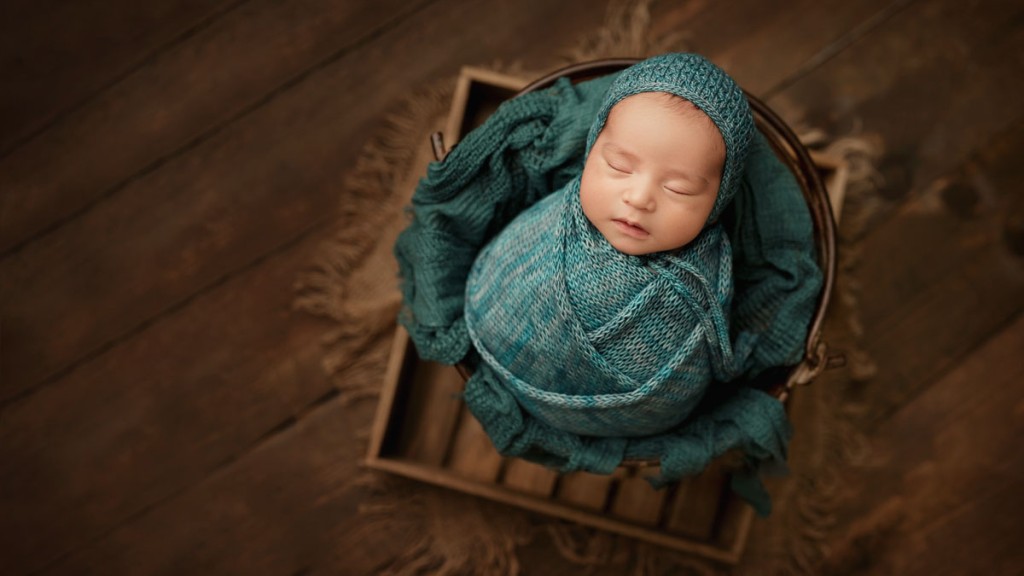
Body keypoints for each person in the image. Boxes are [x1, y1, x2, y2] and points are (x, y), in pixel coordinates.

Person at [394, 53, 821, 512]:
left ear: (719, 202)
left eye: (678, 189)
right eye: (618, 165)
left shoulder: (708, 285)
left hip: (632, 417)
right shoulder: (556, 208)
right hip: (487, 314)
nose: (638, 198)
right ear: (590, 149)